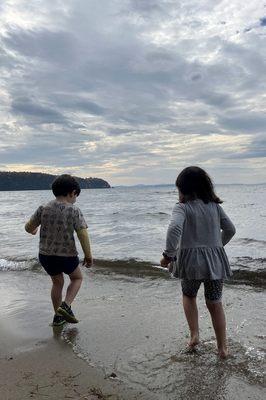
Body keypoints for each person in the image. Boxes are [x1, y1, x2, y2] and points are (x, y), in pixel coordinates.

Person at [161, 166, 235, 358]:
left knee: (189, 295)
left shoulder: (182, 207)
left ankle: (194, 335)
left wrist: (168, 255)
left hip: (191, 265)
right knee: (215, 303)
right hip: (215, 264)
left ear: (183, 190)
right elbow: (231, 230)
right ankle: (222, 348)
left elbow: (174, 229)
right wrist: (217, 246)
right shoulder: (215, 207)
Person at [25, 174, 93, 326]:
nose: (75, 199)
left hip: (46, 255)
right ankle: (66, 306)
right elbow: (82, 233)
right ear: (72, 192)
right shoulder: (74, 210)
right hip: (67, 255)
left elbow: (28, 227)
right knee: (77, 278)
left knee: (57, 283)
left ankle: (58, 316)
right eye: (76, 196)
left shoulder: (43, 208)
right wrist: (88, 256)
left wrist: (33, 231)